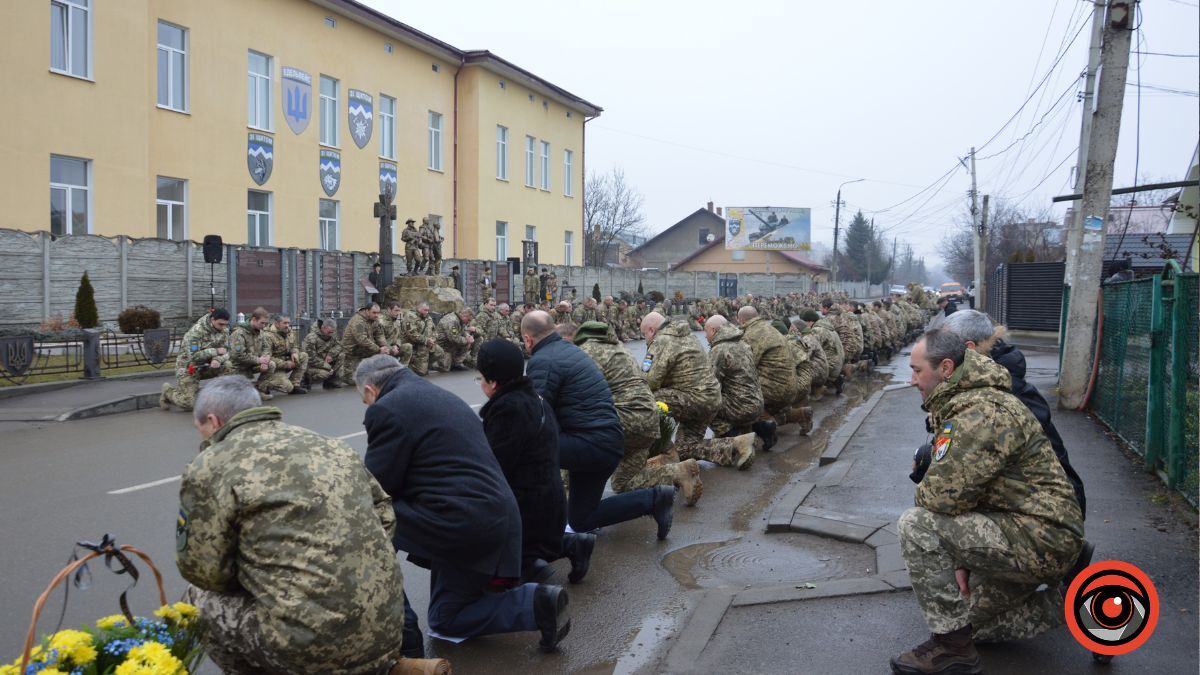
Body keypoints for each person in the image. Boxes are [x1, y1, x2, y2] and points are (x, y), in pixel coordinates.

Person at [176, 376, 418, 675]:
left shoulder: (212, 463)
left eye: (200, 430)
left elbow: (205, 572)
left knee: (196, 600)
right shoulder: (330, 446)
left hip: (310, 652)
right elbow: (384, 513)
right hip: (385, 631)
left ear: (212, 421)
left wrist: (257, 575)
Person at [892, 329, 1084, 674]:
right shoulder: (965, 400)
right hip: (1024, 528)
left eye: (917, 370)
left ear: (946, 368)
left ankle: (952, 651)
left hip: (1039, 537)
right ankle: (1076, 601)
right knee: (969, 626)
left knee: (917, 525)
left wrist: (929, 475)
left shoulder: (981, 412)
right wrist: (964, 558)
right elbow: (966, 494)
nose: (912, 380)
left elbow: (939, 497)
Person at [355, 355, 570, 653]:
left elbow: (376, 488)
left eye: (364, 400)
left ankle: (398, 632)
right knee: (447, 615)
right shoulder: (436, 395)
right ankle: (536, 604)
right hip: (490, 517)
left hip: (461, 523)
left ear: (369, 390)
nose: (367, 406)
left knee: (369, 517)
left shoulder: (387, 409)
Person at [521, 311, 676, 539]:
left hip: (591, 445)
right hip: (605, 442)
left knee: (528, 449)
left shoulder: (543, 360)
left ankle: (531, 528)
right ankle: (655, 499)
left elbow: (537, 418)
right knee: (582, 519)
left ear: (527, 338)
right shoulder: (571, 351)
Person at [941, 310, 1087, 517]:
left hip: (1049, 514)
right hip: (1041, 504)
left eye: (945, 346)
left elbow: (972, 464)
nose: (938, 353)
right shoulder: (995, 378)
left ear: (969, 349)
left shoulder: (1003, 393)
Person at [475, 339, 596, 585]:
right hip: (549, 504)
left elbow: (494, 468)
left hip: (529, 513)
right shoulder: (533, 398)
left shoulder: (509, 409)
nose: (479, 384)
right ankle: (570, 544)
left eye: (481, 379)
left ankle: (531, 573)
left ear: (494, 382)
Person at [570, 321, 703, 506]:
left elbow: (577, 398)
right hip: (648, 422)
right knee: (623, 482)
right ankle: (678, 472)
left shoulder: (584, 352)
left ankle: (566, 504)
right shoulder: (620, 348)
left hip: (623, 423)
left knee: (569, 446)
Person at [640, 311, 759, 470]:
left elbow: (649, 381)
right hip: (709, 400)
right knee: (685, 448)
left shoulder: (661, 341)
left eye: (644, 335)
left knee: (644, 399)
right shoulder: (689, 337)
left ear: (651, 330)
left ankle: (643, 451)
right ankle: (737, 445)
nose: (645, 340)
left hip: (693, 400)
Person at [736, 306, 798, 449]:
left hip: (774, 390)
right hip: (791, 387)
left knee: (737, 398)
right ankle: (798, 414)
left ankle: (759, 429)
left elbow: (744, 368)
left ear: (740, 320)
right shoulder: (770, 329)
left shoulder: (751, 335)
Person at [703, 315, 766, 440]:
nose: (705, 336)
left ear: (713, 330)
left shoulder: (719, 350)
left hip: (741, 407)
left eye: (706, 331)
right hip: (757, 403)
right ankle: (762, 428)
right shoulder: (742, 343)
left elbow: (710, 387)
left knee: (703, 404)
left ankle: (733, 438)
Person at [160, 309, 232, 411]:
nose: (223, 327)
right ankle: (167, 391)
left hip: (207, 366)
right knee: (188, 404)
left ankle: (222, 399)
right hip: (189, 368)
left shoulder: (224, 331)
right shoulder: (196, 332)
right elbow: (193, 356)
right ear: (212, 319)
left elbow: (227, 351)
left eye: (226, 324)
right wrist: (215, 351)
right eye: (221, 324)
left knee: (228, 366)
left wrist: (218, 360)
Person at [228, 307, 281, 398]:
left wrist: (265, 358)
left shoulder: (260, 332)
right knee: (238, 398)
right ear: (253, 319)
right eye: (262, 323)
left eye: (266, 323)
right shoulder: (239, 333)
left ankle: (259, 391)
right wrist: (259, 360)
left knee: (271, 364)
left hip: (252, 364)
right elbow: (238, 355)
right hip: (238, 366)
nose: (264, 326)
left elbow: (266, 347)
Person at [339, 303, 391, 385]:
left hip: (364, 347)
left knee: (384, 351)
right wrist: (378, 349)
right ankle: (347, 373)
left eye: (378, 313)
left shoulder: (374, 320)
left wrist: (384, 346)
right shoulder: (358, 322)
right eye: (374, 312)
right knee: (353, 381)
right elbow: (362, 339)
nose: (376, 315)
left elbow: (379, 334)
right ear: (367, 311)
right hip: (352, 350)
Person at [263, 314, 308, 395]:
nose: (287, 325)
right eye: (285, 323)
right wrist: (285, 364)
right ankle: (264, 385)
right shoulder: (267, 335)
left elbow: (295, 346)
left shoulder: (289, 332)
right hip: (274, 367)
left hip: (286, 360)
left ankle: (295, 385)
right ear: (276, 323)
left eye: (288, 323)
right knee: (288, 387)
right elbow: (266, 357)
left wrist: (294, 352)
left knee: (303, 355)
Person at [401, 302, 445, 376]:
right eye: (425, 310)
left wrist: (433, 339)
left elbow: (434, 331)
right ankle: (413, 366)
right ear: (418, 308)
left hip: (426, 343)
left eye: (428, 310)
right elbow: (411, 333)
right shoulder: (409, 316)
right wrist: (426, 340)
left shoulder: (428, 318)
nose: (427, 312)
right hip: (414, 344)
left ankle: (424, 365)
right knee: (421, 372)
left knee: (439, 352)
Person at [301, 318, 345, 389]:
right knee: (324, 374)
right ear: (323, 328)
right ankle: (306, 380)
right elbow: (311, 359)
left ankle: (330, 381)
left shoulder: (332, 334)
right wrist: (328, 367)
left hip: (324, 360)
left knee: (342, 355)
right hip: (311, 365)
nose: (332, 334)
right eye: (329, 332)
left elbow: (339, 345)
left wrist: (331, 354)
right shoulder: (311, 338)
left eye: (333, 332)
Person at [435, 307, 478, 371]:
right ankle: (434, 363)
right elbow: (454, 338)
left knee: (467, 343)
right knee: (444, 368)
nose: (468, 322)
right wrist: (467, 340)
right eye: (468, 320)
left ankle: (456, 363)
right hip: (443, 346)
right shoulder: (453, 321)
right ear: (464, 316)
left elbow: (463, 330)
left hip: (450, 344)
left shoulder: (459, 319)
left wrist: (468, 336)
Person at [379, 302, 415, 367]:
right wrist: (391, 348)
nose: (398, 313)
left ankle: (402, 369)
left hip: (395, 347)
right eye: (396, 310)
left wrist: (396, 345)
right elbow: (379, 338)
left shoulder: (398, 319)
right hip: (384, 348)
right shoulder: (381, 321)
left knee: (408, 346)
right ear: (389, 310)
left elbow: (399, 335)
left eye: (399, 311)